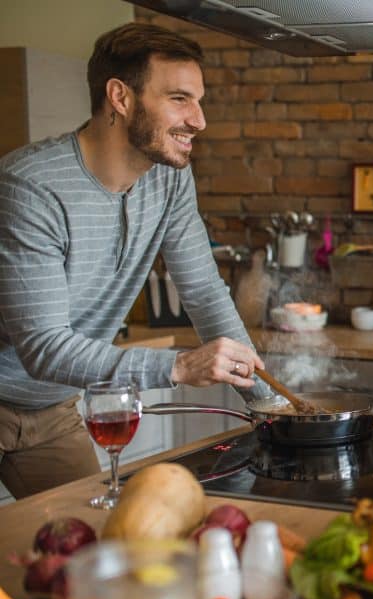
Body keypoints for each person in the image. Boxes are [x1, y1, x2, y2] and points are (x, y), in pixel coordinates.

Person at [0, 23, 272, 499]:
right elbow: (43, 346)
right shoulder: (32, 187)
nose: (199, 120)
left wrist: (269, 405)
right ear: (120, 97)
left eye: (198, 100)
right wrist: (178, 368)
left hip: (51, 410)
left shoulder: (168, 179)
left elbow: (204, 292)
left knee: (91, 534)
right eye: (179, 99)